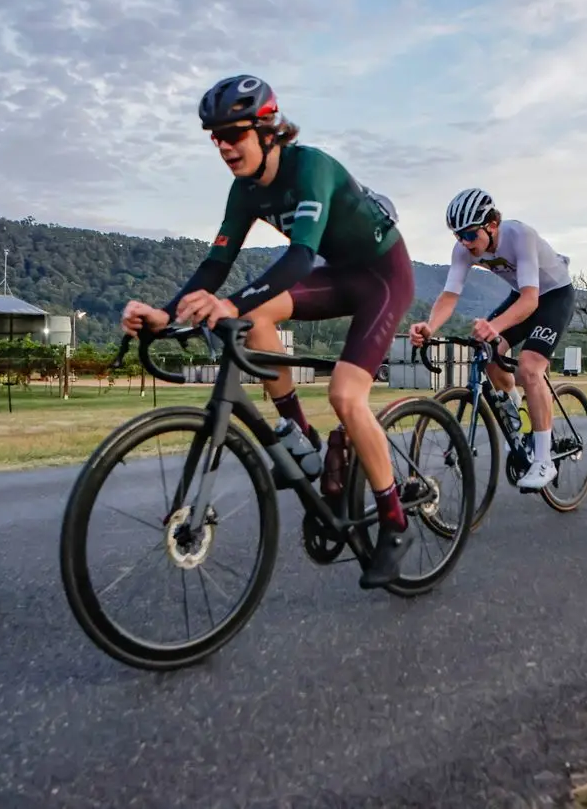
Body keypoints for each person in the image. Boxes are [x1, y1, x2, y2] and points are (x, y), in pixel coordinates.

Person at [119, 74, 417, 589]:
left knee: (347, 396)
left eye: (232, 134)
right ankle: (300, 437)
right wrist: (167, 315)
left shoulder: (312, 169)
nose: (223, 147)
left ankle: (394, 521)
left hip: (384, 277)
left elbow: (300, 257)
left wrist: (229, 301)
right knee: (252, 319)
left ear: (268, 129)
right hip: (339, 276)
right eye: (215, 137)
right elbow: (216, 264)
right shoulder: (244, 192)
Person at [407, 188, 574, 491]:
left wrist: (493, 325)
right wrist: (431, 325)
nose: (464, 243)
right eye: (458, 236)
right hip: (522, 295)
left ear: (492, 224)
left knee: (529, 367)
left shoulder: (519, 235)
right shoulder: (464, 249)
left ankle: (543, 459)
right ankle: (516, 421)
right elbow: (449, 295)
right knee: (489, 357)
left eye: (470, 235)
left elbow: (530, 301)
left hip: (553, 296)